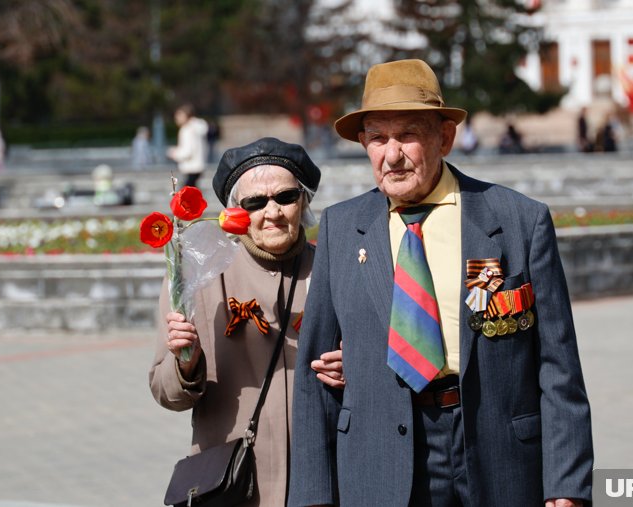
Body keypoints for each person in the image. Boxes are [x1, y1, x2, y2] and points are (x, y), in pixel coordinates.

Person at [288, 59, 593, 507]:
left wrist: (567, 485)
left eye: (407, 134)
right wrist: (313, 495)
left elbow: (557, 365)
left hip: (499, 453)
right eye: (377, 138)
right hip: (379, 458)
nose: (392, 155)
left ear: (444, 138)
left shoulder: (517, 221)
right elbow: (313, 374)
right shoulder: (341, 227)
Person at [150, 137, 344, 506]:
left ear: (303, 202)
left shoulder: (334, 269)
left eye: (285, 197)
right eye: (255, 202)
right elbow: (165, 391)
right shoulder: (198, 279)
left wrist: (355, 368)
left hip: (322, 481)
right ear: (236, 211)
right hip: (236, 485)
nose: (272, 212)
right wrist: (185, 364)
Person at [167, 103, 209, 188]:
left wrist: (174, 153)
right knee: (192, 193)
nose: (177, 118)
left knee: (185, 194)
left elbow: (188, 151)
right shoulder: (196, 128)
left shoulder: (187, 130)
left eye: (179, 115)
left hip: (190, 167)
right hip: (197, 166)